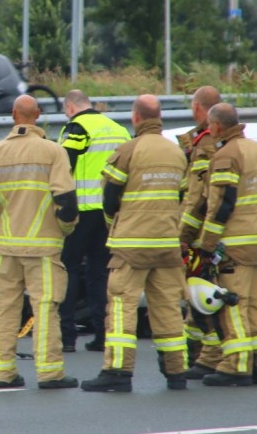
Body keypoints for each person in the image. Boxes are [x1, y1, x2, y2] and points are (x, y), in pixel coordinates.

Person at [0, 95, 79, 390]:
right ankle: (49, 373)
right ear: (38, 115)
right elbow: (67, 202)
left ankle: (3, 374)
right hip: (44, 248)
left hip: (5, 248)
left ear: (13, 115)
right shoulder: (54, 152)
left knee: (4, 310)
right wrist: (65, 229)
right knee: (45, 309)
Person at [81, 95, 188, 393]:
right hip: (167, 243)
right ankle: (176, 371)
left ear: (136, 118)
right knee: (167, 307)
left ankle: (118, 371)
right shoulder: (177, 152)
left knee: (121, 305)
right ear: (160, 117)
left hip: (131, 245)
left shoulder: (128, 151)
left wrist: (116, 222)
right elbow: (183, 196)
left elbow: (110, 198)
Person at [197, 103, 257, 387]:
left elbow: (221, 205)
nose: (208, 130)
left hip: (234, 246)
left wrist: (207, 245)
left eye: (210, 126)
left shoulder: (226, 155)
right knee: (256, 304)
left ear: (218, 126)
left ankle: (236, 366)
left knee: (232, 303)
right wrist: (256, 219)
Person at [57, 89, 130, 353]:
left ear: (69, 107)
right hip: (110, 213)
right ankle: (102, 335)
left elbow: (63, 166)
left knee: (69, 269)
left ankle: (66, 337)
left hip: (82, 210)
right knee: (100, 273)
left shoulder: (76, 127)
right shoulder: (118, 129)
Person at [175, 86, 223, 379]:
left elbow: (196, 197)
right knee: (200, 296)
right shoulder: (223, 141)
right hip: (215, 232)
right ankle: (202, 357)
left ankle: (211, 356)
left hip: (202, 234)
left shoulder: (205, 145)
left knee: (203, 295)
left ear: (197, 108)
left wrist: (183, 236)